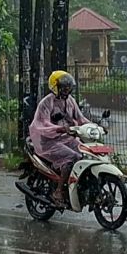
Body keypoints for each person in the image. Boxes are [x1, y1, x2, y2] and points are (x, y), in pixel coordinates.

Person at [29, 70, 87, 208]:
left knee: (84, 154)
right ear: (56, 87)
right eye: (64, 87)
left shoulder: (70, 101)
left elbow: (80, 118)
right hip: (47, 142)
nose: (67, 90)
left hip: (66, 138)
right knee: (72, 157)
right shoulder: (46, 103)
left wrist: (95, 126)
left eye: (69, 87)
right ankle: (59, 191)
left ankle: (78, 185)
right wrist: (59, 129)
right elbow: (42, 124)